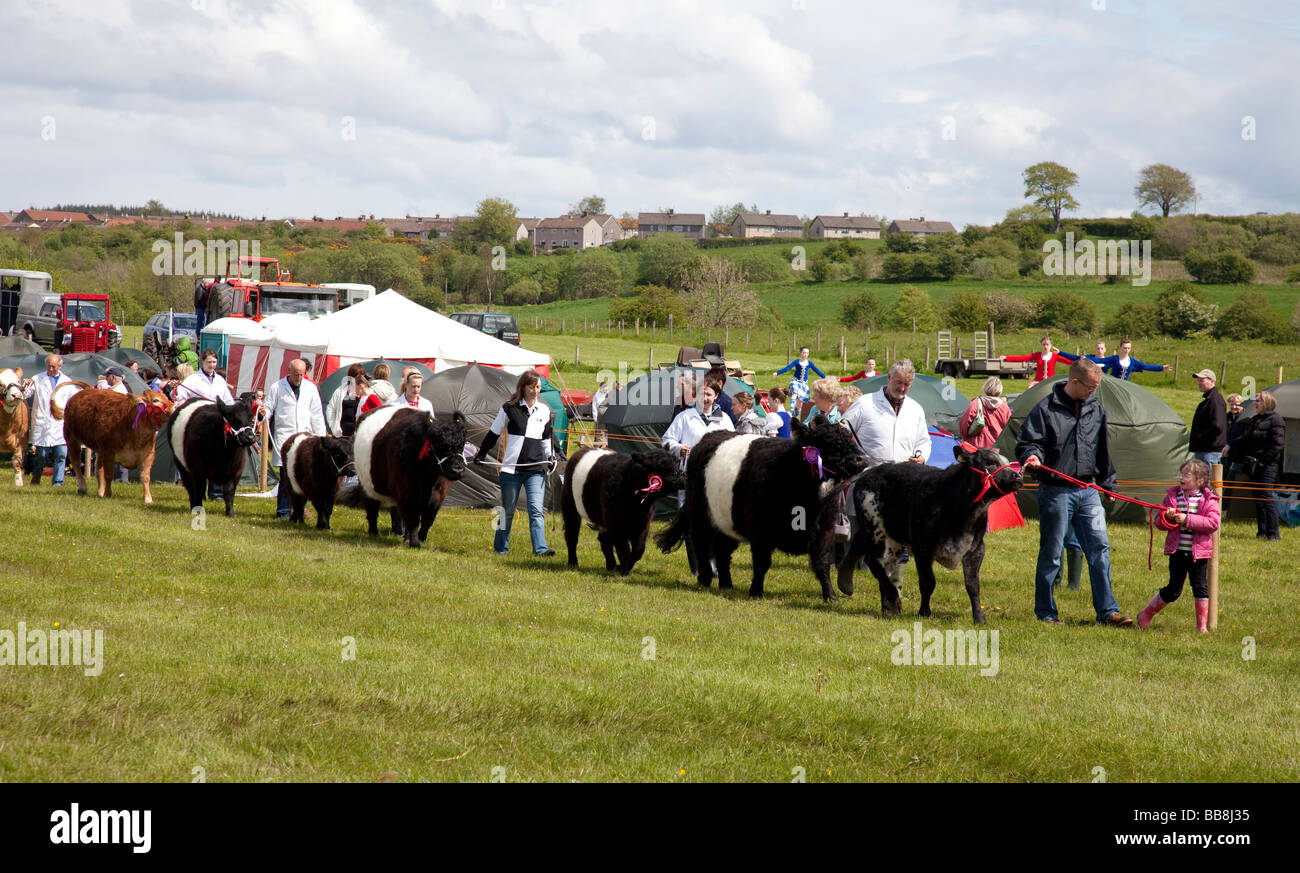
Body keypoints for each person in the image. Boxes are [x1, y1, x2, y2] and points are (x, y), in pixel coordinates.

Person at [1016, 358, 1133, 626]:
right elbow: (1028, 442)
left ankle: (1107, 612)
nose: (1094, 391)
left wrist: (1108, 484)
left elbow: (1102, 449)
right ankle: (1046, 613)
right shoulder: (1045, 409)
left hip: (1088, 491)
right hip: (1055, 492)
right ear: (1074, 382)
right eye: (1090, 387)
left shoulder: (1096, 409)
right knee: (1052, 552)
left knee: (1100, 548)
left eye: (1097, 387)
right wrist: (1033, 457)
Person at [838, 360, 931, 598]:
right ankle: (849, 562)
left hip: (903, 480)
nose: (902, 388)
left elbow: (924, 440)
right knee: (869, 534)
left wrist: (921, 456)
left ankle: (895, 590)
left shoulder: (916, 409)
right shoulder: (865, 403)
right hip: (870, 477)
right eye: (898, 382)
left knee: (904, 534)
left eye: (907, 384)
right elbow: (843, 429)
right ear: (888, 379)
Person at [475, 370, 557, 557]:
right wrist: (481, 453)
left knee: (536, 510)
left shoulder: (544, 411)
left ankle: (540, 549)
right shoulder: (509, 408)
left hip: (535, 470)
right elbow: (494, 433)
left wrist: (550, 457)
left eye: (538, 387)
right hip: (512, 470)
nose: (535, 391)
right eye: (531, 386)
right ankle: (500, 548)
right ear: (523, 387)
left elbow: (546, 439)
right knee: (507, 512)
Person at [1136, 459, 1221, 633]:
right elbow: (1159, 522)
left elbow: (1213, 523)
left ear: (1199, 481)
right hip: (1177, 552)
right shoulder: (1172, 497)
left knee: (1200, 588)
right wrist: (1167, 517)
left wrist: (1186, 519)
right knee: (1174, 590)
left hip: (1199, 554)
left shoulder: (1208, 499)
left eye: (1186, 474)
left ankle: (1201, 627)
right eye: (1180, 474)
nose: (1181, 477)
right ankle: (1146, 614)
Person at [662, 379, 734, 573]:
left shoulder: (725, 420)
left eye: (709, 394)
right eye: (702, 394)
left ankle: (715, 566)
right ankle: (698, 567)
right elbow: (666, 441)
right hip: (689, 479)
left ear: (716, 396)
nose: (705, 398)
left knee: (715, 523)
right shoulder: (685, 417)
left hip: (716, 480)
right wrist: (679, 448)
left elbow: (734, 445)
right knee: (692, 523)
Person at [265, 359, 326, 520]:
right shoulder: (277, 387)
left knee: (304, 477)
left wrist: (321, 438)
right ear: (289, 371)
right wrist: (263, 413)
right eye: (296, 374)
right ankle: (283, 511)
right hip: (285, 438)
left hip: (305, 439)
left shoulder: (310, 388)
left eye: (302, 374)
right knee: (286, 476)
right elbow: (268, 407)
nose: (299, 378)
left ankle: (299, 511)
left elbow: (317, 414)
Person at [1225, 390, 1285, 541]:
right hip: (1253, 465)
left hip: (1267, 466)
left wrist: (1263, 461)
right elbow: (1245, 438)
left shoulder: (1276, 420)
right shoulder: (1256, 419)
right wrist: (1230, 446)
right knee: (1258, 499)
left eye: (1257, 401)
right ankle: (1262, 532)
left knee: (1266, 498)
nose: (1254, 403)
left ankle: (1273, 534)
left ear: (1266, 403)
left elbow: (1277, 445)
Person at [22, 354, 69, 486]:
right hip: (42, 423)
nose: (50, 368)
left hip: (59, 424)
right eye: (48, 366)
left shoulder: (67, 381)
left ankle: (58, 482)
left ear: (59, 366)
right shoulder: (37, 378)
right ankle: (36, 477)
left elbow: (72, 400)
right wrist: (24, 385)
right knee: (41, 455)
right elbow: (25, 394)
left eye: (53, 366)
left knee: (61, 454)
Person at [958, 376, 1012, 448]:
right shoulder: (1004, 407)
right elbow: (1008, 427)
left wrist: (965, 436)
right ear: (1000, 389)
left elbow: (964, 424)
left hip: (977, 446)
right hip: (996, 446)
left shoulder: (976, 403)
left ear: (986, 387)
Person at [1189, 369, 1227, 467]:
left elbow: (1217, 426)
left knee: (1209, 480)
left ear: (1212, 381)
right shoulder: (1209, 400)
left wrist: (1199, 437)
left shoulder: (1215, 400)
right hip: (1205, 450)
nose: (1199, 383)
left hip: (1210, 451)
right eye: (1198, 380)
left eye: (1202, 380)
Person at [774, 347, 825, 419]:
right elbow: (788, 368)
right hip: (795, 381)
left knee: (800, 403)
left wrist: (825, 377)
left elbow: (817, 371)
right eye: (804, 353)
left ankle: (794, 417)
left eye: (807, 353)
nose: (805, 354)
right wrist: (777, 373)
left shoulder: (809, 363)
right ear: (800, 353)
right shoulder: (797, 361)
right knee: (794, 393)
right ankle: (791, 412)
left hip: (804, 384)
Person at [1085, 338, 1171, 380]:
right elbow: (1100, 360)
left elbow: (1145, 366)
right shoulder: (1114, 359)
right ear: (1120, 348)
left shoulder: (1132, 361)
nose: (1127, 350)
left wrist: (1162, 368)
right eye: (1125, 348)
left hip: (1124, 385)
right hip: (1113, 384)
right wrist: (1085, 359)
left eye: (1128, 348)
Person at [1002, 335, 1072, 386]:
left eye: (1047, 344)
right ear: (1041, 345)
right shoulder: (1037, 355)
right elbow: (1023, 358)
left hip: (1049, 383)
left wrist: (1080, 362)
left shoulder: (1054, 356)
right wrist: (1006, 357)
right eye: (1044, 344)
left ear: (1051, 345)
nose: (1045, 346)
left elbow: (1068, 361)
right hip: (1037, 382)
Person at [327, 363, 368, 436]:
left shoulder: (366, 392)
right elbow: (330, 409)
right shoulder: (340, 391)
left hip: (359, 435)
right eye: (354, 377)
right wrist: (334, 428)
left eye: (358, 377)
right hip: (341, 434)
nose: (355, 380)